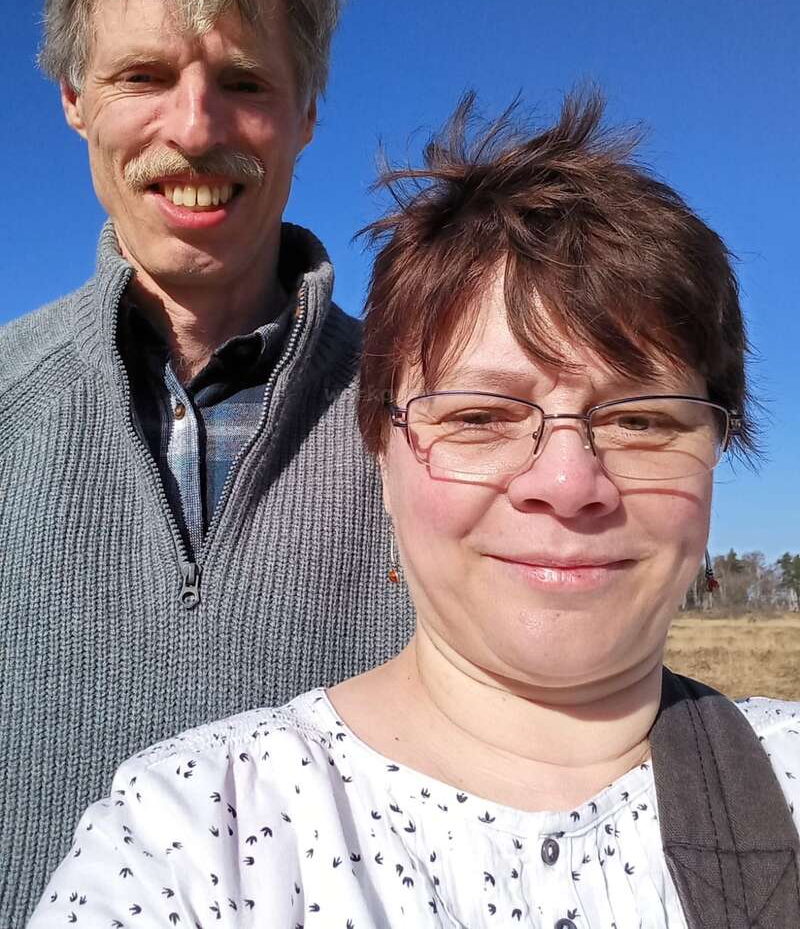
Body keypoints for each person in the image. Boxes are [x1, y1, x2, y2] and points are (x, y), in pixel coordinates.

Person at [29, 90, 800, 927]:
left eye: (642, 418)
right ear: (381, 455)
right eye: (479, 416)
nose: (571, 483)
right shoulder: (189, 837)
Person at [0, 0, 414, 924]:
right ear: (72, 97)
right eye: (143, 74)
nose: (194, 126)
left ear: (307, 110)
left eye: (242, 80)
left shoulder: (433, 424)